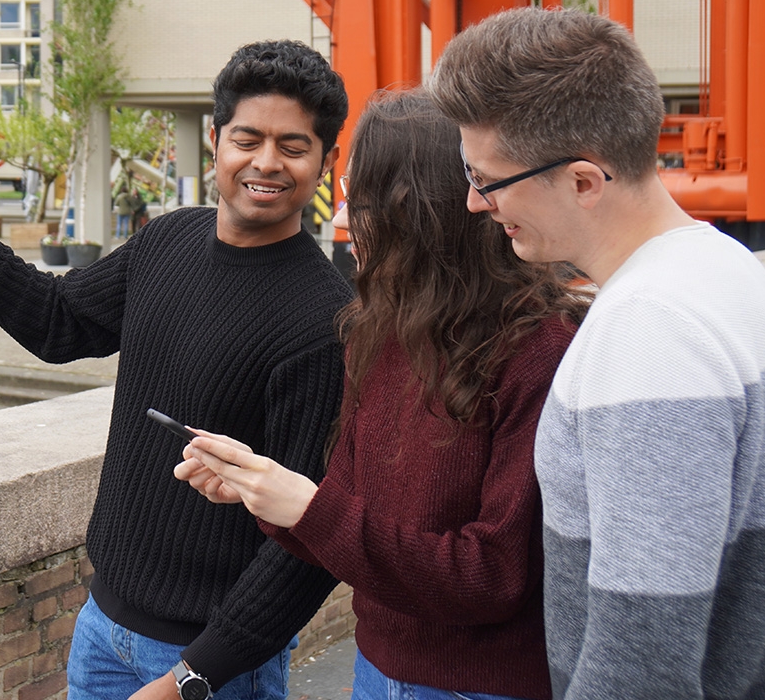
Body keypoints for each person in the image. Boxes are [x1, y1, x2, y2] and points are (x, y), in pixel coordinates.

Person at [0, 39, 354, 700]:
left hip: (212, 665)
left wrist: (190, 677)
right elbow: (58, 322)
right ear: (216, 141)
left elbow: (304, 544)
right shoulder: (167, 238)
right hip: (103, 625)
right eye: (248, 138)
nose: (266, 163)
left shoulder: (325, 323)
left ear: (324, 161)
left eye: (293, 147)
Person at [176, 89, 585, 700]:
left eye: (360, 204)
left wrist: (309, 509)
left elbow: (493, 575)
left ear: (426, 213)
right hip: (375, 670)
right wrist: (264, 493)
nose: (343, 223)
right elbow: (345, 509)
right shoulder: (378, 329)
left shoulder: (539, 350)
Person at [425, 7, 765, 698]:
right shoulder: (729, 272)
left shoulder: (648, 334)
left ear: (584, 181)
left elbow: (642, 658)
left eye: (487, 180)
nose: (473, 203)